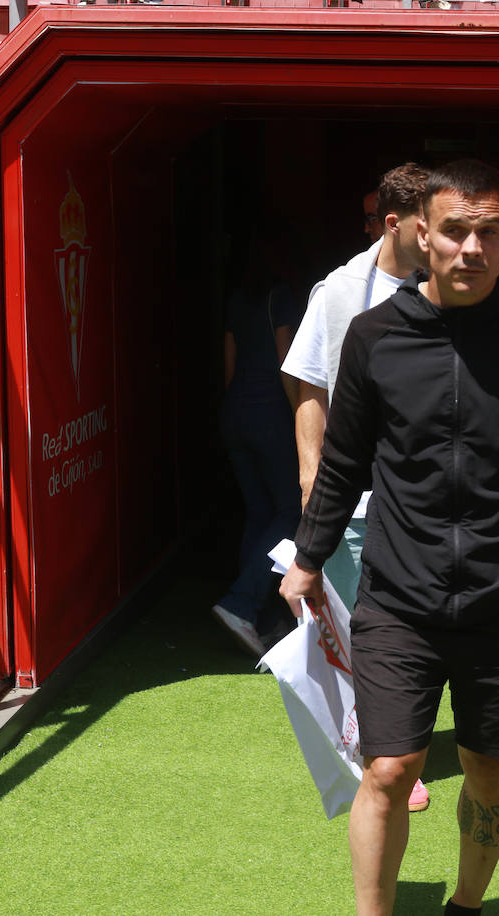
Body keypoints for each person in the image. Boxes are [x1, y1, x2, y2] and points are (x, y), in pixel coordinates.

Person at [280, 159, 499, 916]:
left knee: (484, 767)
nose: (469, 249)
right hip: (398, 595)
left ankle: (466, 907)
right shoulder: (376, 337)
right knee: (389, 767)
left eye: (486, 233)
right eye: (453, 231)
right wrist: (309, 559)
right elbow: (343, 461)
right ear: (421, 233)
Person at [282, 163, 433, 812]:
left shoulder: (450, 287)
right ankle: (380, 753)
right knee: (361, 628)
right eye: (429, 227)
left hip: (426, 498)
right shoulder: (341, 291)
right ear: (396, 224)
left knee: (415, 631)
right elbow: (307, 384)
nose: (443, 240)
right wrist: (311, 474)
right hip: (354, 494)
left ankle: (401, 744)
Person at [210, 229, 304, 658]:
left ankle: (255, 613)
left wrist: (234, 411)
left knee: (260, 513)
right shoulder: (280, 296)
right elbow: (288, 362)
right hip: (270, 415)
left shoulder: (234, 300)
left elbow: (228, 367)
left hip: (236, 415)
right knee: (290, 512)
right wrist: (296, 413)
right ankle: (242, 604)